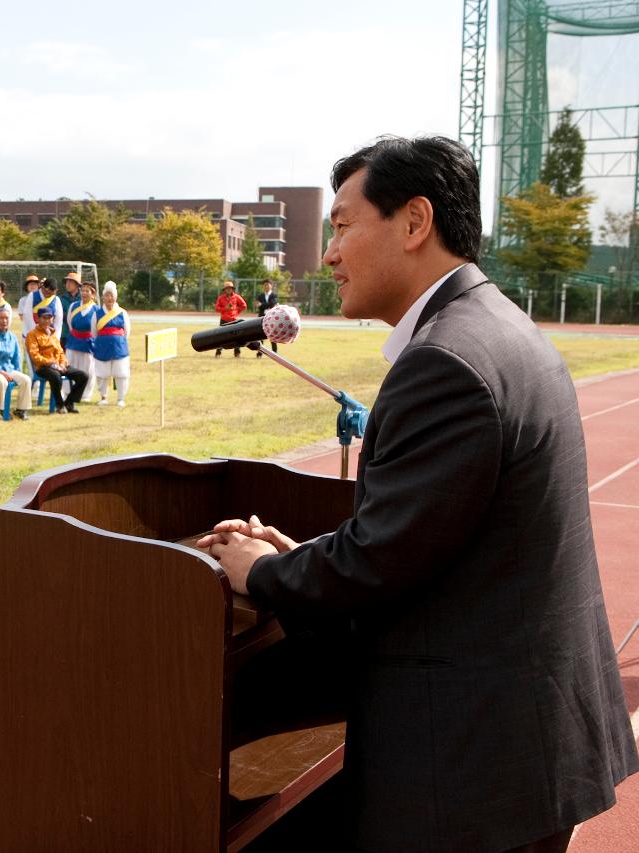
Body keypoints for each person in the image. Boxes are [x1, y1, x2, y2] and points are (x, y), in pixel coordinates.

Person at [201, 136, 638, 853]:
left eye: (342, 225)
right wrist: (308, 551)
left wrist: (261, 570)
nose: (329, 253)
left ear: (413, 223)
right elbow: (427, 538)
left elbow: (378, 563)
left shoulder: (445, 361)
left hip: (475, 766)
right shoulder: (494, 326)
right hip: (518, 745)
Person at [26, 306, 87, 414]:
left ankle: (69, 402)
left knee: (83, 376)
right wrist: (52, 363)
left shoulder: (53, 333)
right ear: (38, 319)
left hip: (59, 365)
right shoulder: (32, 334)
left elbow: (60, 352)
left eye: (50, 318)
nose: (47, 320)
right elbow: (35, 356)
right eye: (44, 318)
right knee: (55, 376)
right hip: (43, 367)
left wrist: (62, 364)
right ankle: (59, 404)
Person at [0, 306, 32, 420]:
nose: (4, 321)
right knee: (1, 381)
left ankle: (21, 410)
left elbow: (17, 357)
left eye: (7, 318)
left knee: (26, 379)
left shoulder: (12, 336)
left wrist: (17, 372)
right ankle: (3, 409)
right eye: (1, 318)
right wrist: (1, 372)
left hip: (9, 369)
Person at [92, 281, 131, 407]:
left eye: (111, 295)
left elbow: (127, 331)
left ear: (115, 297)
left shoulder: (122, 313)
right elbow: (94, 332)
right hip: (102, 347)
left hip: (119, 348)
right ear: (103, 297)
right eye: (107, 295)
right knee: (102, 373)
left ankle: (121, 398)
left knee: (121, 373)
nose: (109, 298)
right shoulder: (96, 313)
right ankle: (103, 396)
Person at [64, 280, 100, 401]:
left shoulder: (96, 309)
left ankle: (85, 394)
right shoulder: (73, 306)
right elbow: (70, 322)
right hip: (73, 341)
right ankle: (68, 392)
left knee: (88, 368)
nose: (84, 293)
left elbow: (97, 327)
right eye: (83, 290)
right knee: (70, 366)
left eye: (87, 291)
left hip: (88, 342)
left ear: (93, 294)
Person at [213, 281, 248, 357]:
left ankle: (237, 353)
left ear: (232, 289)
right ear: (224, 290)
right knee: (221, 336)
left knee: (237, 336)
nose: (229, 290)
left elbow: (244, 305)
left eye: (230, 288)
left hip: (234, 319)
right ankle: (218, 352)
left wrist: (236, 311)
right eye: (227, 288)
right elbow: (216, 309)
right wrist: (225, 308)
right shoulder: (221, 298)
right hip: (224, 319)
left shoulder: (237, 297)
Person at [256, 279, 279, 356]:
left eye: (268, 284)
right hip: (261, 317)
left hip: (272, 317)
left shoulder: (274, 295)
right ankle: (260, 352)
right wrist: (267, 305)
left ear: (271, 286)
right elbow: (259, 307)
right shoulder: (260, 296)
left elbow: (272, 304)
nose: (266, 286)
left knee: (272, 334)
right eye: (265, 285)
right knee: (260, 334)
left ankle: (274, 352)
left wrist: (262, 305)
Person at [58, 271, 82, 345]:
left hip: (79, 334)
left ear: (77, 285)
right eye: (67, 282)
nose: (68, 284)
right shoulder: (60, 299)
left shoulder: (83, 299)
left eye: (71, 282)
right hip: (64, 334)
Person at [16, 274, 42, 339]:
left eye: (34, 284)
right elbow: (22, 317)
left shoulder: (42, 299)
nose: (32, 286)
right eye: (30, 284)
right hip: (27, 332)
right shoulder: (22, 300)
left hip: (41, 333)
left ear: (38, 286)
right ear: (26, 287)